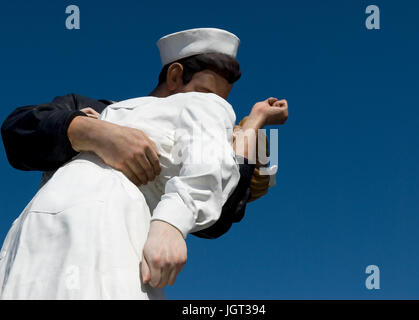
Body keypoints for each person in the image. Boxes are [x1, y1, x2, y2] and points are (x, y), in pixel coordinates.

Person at [0, 28, 288, 299]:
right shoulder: (95, 108)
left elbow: (221, 208)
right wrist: (90, 131)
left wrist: (171, 222)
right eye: (208, 91)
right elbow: (17, 130)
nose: (218, 105)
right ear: (175, 76)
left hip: (76, 228)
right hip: (51, 228)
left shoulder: (205, 116)